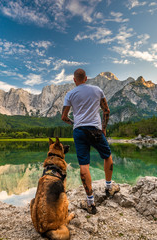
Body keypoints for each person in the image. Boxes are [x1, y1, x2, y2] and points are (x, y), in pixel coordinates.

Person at [61, 68, 120, 214]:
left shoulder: (70, 94)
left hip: (79, 131)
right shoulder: (98, 90)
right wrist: (104, 128)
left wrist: (73, 123)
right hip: (96, 130)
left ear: (74, 80)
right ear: (86, 78)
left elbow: (63, 117)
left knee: (84, 165)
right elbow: (106, 111)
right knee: (107, 156)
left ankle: (90, 203)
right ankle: (108, 187)